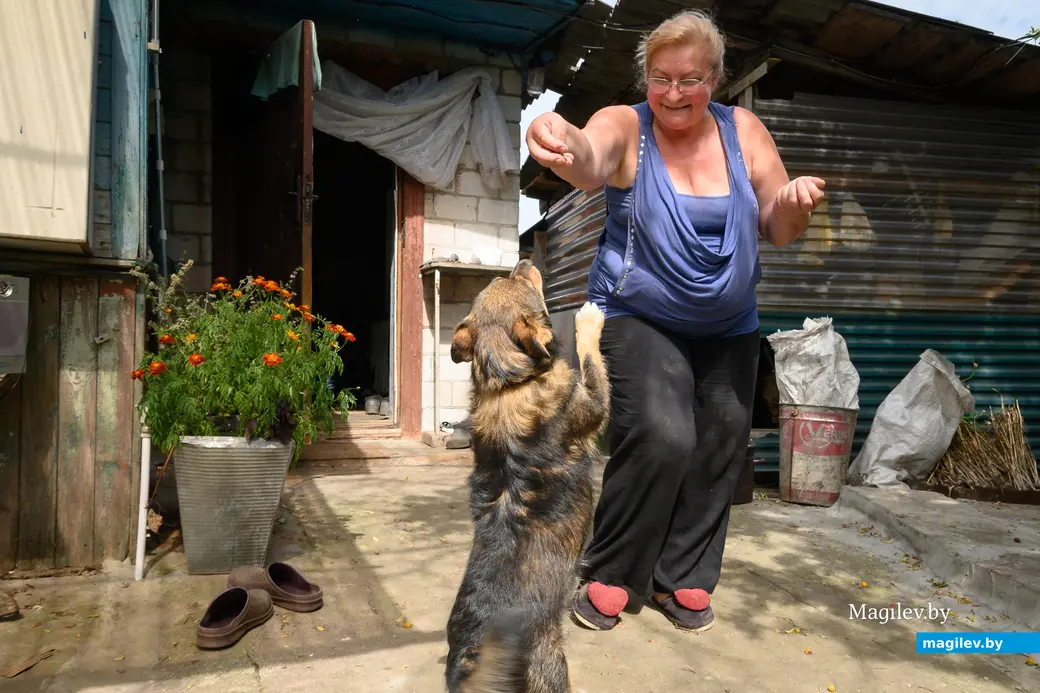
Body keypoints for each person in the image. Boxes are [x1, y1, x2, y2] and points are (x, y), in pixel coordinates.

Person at [525, 9, 825, 633]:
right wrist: (563, 140)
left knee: (720, 441)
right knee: (664, 435)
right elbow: (587, 157)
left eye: (689, 79)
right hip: (640, 313)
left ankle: (682, 576)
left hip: (729, 322)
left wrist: (794, 203)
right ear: (647, 79)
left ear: (714, 78)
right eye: (661, 78)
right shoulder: (626, 127)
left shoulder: (743, 131)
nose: (673, 93)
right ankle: (612, 571)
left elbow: (778, 225)